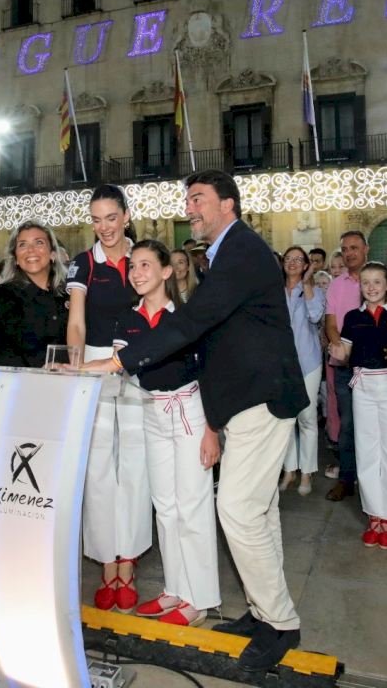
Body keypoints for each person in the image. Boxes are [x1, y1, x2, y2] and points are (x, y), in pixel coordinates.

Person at [84, 170, 307, 672]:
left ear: (228, 204)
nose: (190, 208)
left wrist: (117, 362)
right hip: (245, 400)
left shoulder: (242, 250)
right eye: (188, 200)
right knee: (260, 512)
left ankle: (280, 621)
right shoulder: (227, 253)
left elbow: (191, 322)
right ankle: (263, 612)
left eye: (199, 199)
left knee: (238, 510)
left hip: (263, 396)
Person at [115, 240, 220, 627]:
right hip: (151, 410)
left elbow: (209, 373)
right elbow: (119, 368)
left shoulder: (186, 316)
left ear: (166, 271)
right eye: (132, 266)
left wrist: (211, 430)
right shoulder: (127, 320)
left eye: (145, 265)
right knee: (164, 505)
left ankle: (199, 599)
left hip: (190, 409)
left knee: (192, 505)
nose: (137, 273)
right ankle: (175, 588)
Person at [67, 185, 150, 613]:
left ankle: (128, 559)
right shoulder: (83, 262)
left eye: (111, 218)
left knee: (135, 462)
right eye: (97, 219)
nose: (104, 227)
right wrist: (76, 366)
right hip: (95, 365)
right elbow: (76, 322)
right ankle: (106, 562)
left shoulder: (143, 257)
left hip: (139, 362)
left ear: (126, 216)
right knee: (98, 464)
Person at [0, 221, 70, 461]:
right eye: (22, 245)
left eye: (38, 243)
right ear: (15, 257)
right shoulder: (6, 294)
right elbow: (23, 342)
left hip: (52, 390)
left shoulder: (66, 295)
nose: (30, 250)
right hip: (9, 393)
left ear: (53, 253)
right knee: (7, 468)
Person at [330, 262, 387, 549]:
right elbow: (344, 353)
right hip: (363, 386)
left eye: (377, 282)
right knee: (367, 450)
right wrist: (336, 350)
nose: (371, 287)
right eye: (366, 282)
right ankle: (374, 515)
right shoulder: (353, 317)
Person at [323, 231, 369, 501]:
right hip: (344, 365)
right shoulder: (336, 285)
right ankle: (347, 478)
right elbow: (330, 324)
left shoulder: (376, 278)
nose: (349, 253)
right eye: (345, 249)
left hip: (374, 366)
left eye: (354, 248)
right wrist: (343, 350)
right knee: (348, 423)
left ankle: (373, 481)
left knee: (373, 424)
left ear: (365, 249)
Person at [279, 245, 325, 497]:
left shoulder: (313, 291)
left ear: (307, 265)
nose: (293, 262)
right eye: (289, 258)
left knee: (307, 417)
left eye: (298, 259)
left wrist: (307, 284)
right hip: (282, 363)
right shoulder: (274, 292)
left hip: (308, 362)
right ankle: (290, 469)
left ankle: (307, 472)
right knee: (285, 419)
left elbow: (316, 316)